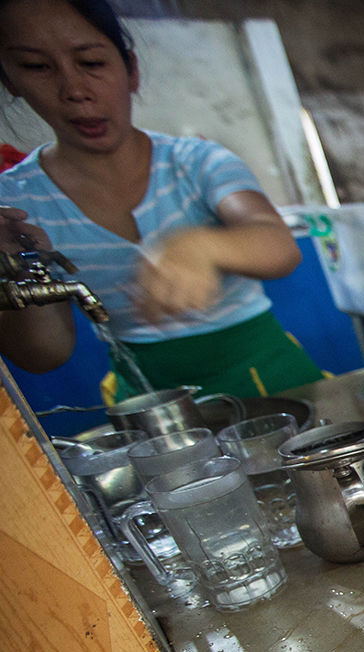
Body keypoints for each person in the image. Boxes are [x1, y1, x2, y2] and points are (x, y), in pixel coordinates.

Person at [0, 0, 324, 401]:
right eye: (37, 67)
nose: (75, 91)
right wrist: (12, 265)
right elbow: (45, 354)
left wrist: (199, 244)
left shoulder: (196, 162)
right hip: (153, 405)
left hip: (271, 380)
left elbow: (279, 246)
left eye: (92, 63)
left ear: (131, 70)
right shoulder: (14, 201)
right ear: (11, 80)